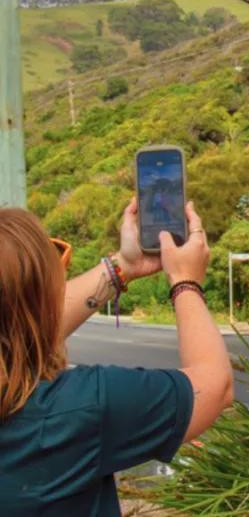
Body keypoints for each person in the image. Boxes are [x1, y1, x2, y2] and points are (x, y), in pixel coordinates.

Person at [0, 199, 234, 516]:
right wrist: (185, 281)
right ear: (42, 300)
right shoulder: (78, 409)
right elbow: (214, 386)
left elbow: (24, 327)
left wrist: (123, 265)